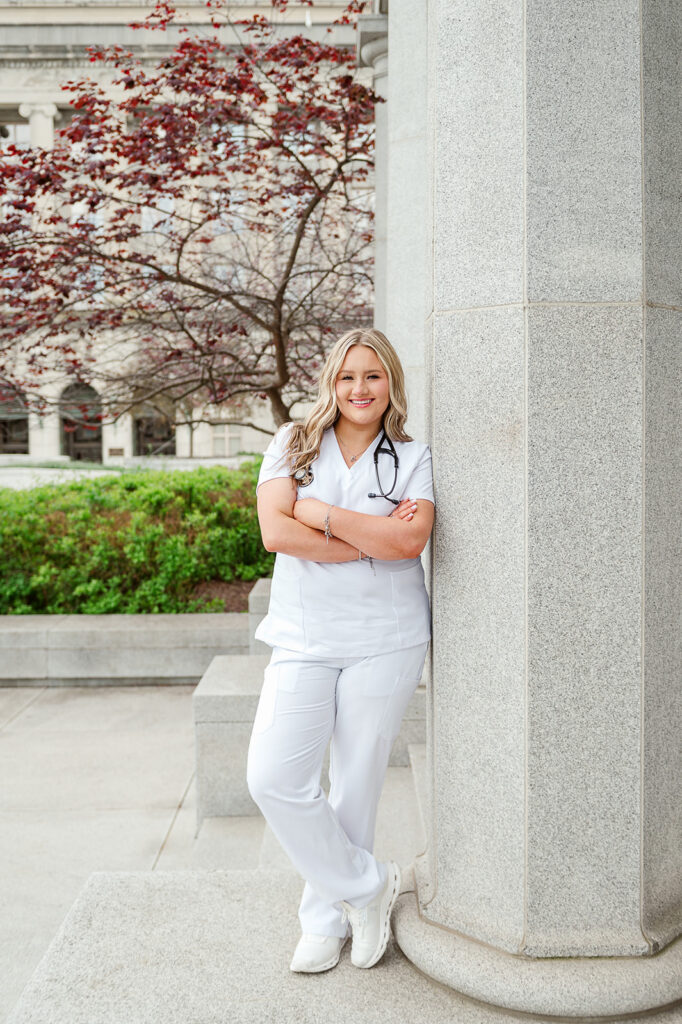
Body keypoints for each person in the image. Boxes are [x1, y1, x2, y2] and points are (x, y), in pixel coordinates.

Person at [246, 327, 435, 974]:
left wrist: (320, 514)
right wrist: (370, 538)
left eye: (374, 376)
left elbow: (411, 544)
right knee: (272, 777)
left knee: (356, 783)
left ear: (392, 385)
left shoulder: (412, 455)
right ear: (331, 381)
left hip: (387, 638)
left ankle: (325, 919)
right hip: (303, 637)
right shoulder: (294, 443)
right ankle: (365, 886)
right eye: (349, 376)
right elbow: (276, 531)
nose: (360, 389)